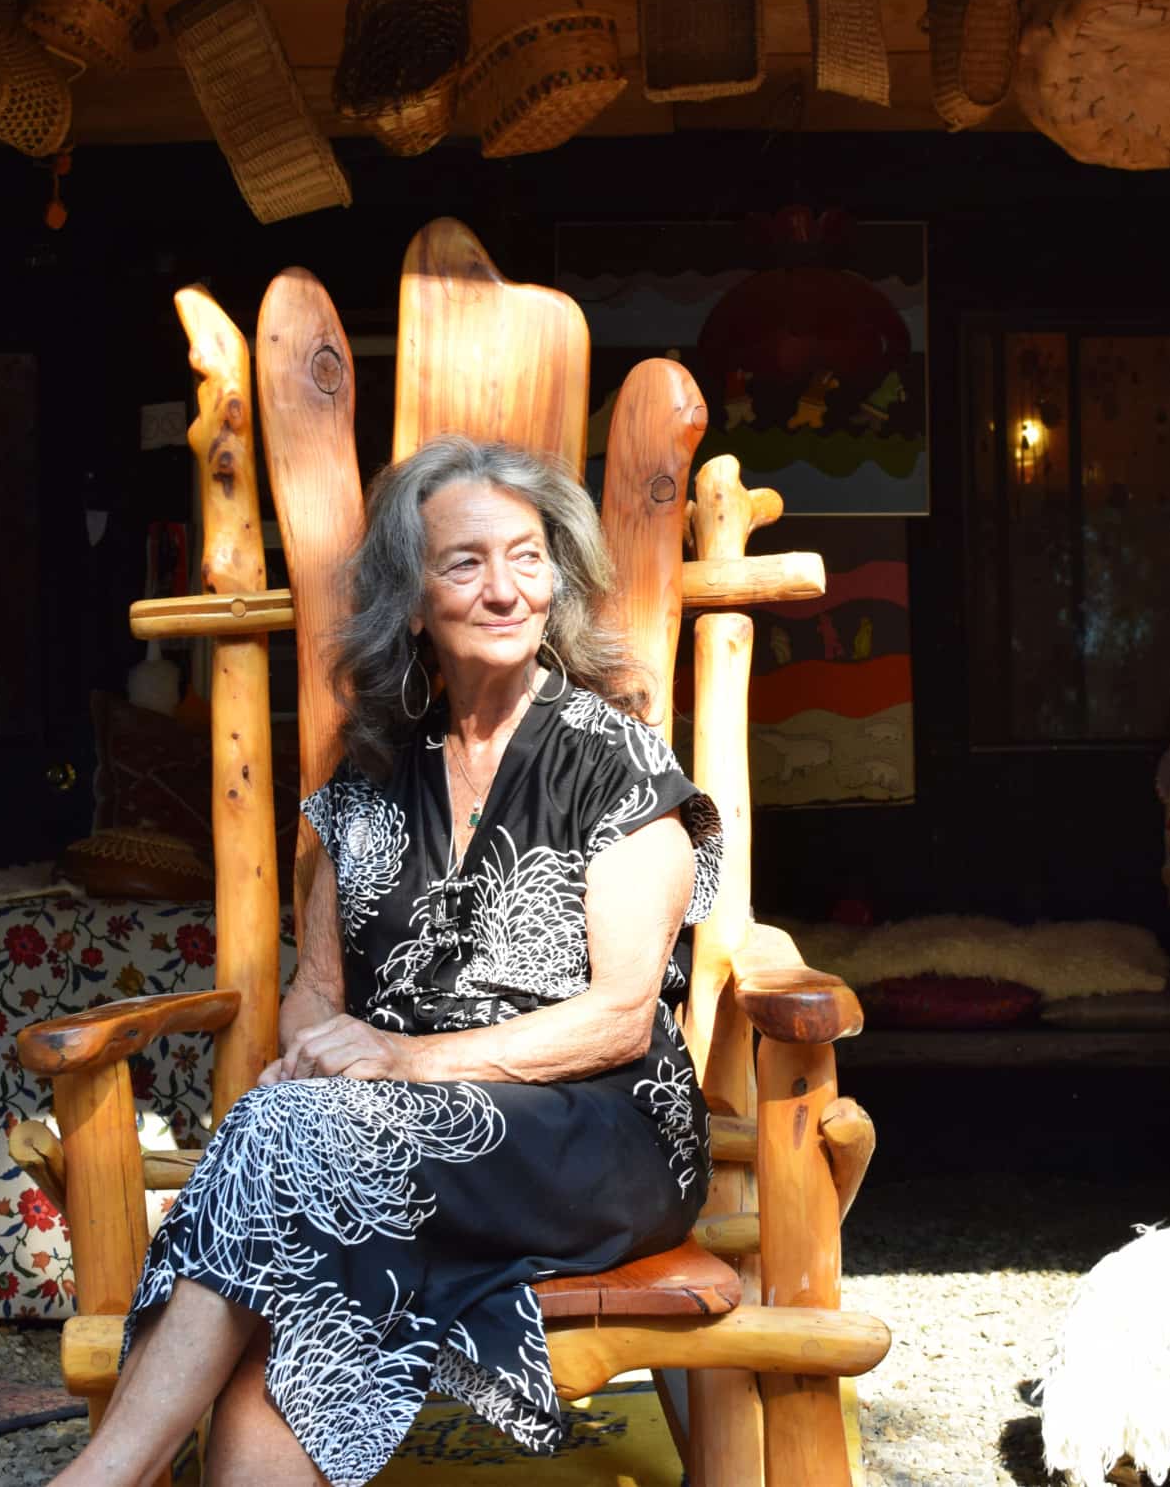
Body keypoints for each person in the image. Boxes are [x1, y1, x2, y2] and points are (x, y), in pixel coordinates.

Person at [52, 436, 721, 1487]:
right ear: (412, 603)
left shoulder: (618, 765)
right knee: (300, 1297)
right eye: (465, 563)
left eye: (527, 557)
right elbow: (317, 995)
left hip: (593, 1135)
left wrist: (403, 1062)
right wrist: (321, 1068)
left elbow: (618, 1020)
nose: (504, 589)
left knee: (283, 1141)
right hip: (383, 1148)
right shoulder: (369, 783)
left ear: (556, 582)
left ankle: (110, 1473)